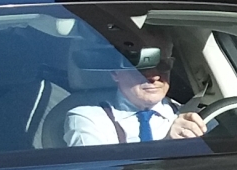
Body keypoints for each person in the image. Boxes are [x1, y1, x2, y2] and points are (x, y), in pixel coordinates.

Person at [62, 53, 206, 145]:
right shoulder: (88, 118)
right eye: (141, 65)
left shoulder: (191, 115)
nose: (154, 76)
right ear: (115, 72)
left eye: (163, 65)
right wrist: (166, 145)